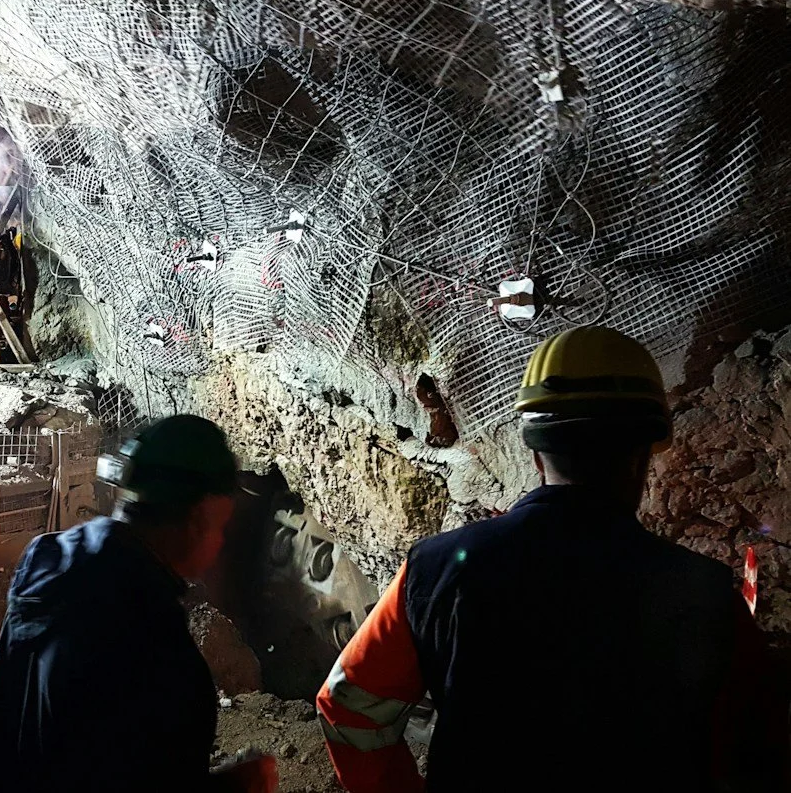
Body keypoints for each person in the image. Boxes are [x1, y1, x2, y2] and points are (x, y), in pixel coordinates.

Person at [318, 327, 787, 792]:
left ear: (537, 455)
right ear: (641, 459)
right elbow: (755, 755)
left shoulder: (435, 569)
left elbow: (349, 706)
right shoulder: (706, 595)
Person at [0, 414, 276, 792]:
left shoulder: (46, 561)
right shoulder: (164, 659)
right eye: (222, 526)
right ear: (201, 515)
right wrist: (239, 785)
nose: (221, 543)